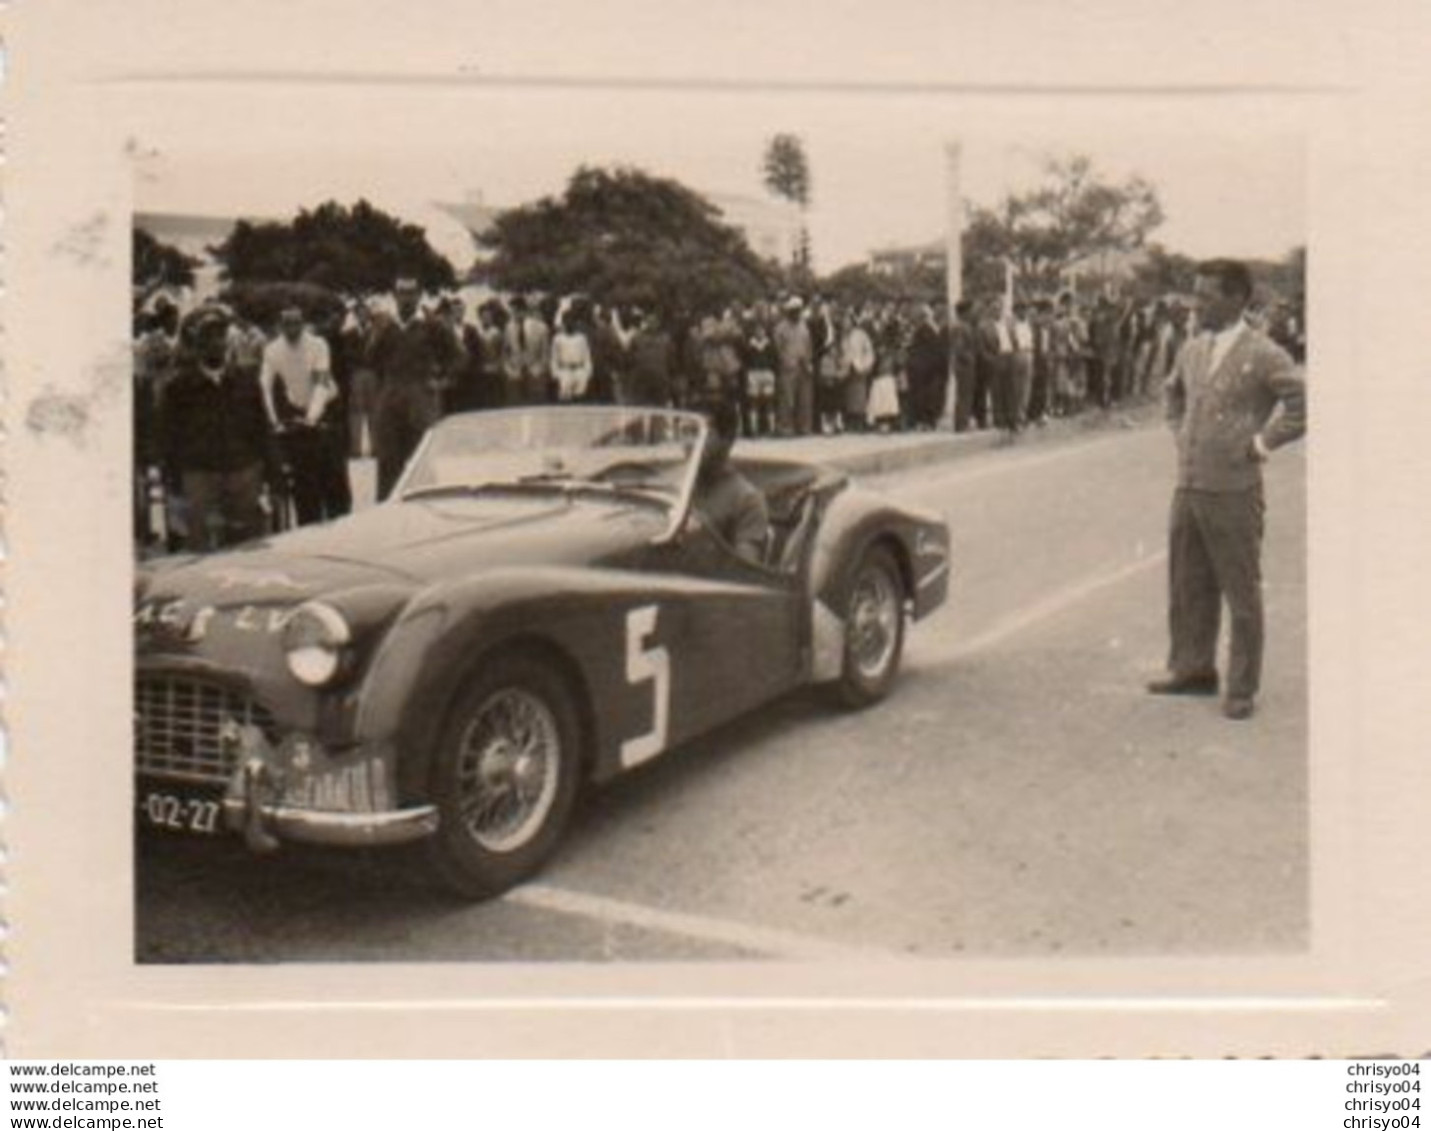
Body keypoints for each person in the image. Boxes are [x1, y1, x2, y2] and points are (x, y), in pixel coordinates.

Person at [1148, 259, 1307, 721]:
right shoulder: (1193, 349)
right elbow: (1172, 393)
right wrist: (1180, 432)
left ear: (1237, 298)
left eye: (1208, 295)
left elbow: (1301, 405)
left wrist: (1262, 442)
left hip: (1235, 489)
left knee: (1240, 589)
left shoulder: (1265, 353)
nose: (1198, 304)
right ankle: (1193, 669)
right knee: (1187, 582)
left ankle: (1241, 687)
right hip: (1190, 484)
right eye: (1196, 294)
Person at [160, 307, 275, 552]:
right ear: (197, 345)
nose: (215, 343)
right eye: (207, 337)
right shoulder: (178, 388)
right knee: (199, 546)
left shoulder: (246, 381)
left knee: (247, 544)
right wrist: (173, 481)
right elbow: (169, 437)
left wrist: (271, 472)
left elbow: (262, 427)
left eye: (220, 336)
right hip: (199, 473)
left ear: (227, 343)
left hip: (243, 470)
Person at [259, 306, 351, 526]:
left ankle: (341, 523)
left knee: (334, 477)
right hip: (298, 411)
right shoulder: (272, 350)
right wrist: (273, 421)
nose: (292, 329)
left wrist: (312, 418)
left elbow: (320, 384)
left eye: (296, 323)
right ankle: (308, 524)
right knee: (304, 479)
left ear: (303, 323)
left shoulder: (318, 345)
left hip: (327, 407)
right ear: (280, 326)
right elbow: (265, 386)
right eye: (287, 324)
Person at [368, 278, 459, 500]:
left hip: (421, 397)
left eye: (411, 293)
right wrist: (378, 334)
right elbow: (370, 358)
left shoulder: (431, 324)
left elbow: (458, 355)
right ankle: (387, 512)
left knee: (422, 459)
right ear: (394, 295)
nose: (406, 298)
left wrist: (442, 380)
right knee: (388, 461)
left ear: (419, 295)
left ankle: (427, 511)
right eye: (401, 293)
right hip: (391, 396)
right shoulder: (386, 325)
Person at [692, 398, 771, 565]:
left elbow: (744, 573)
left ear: (727, 439)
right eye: (686, 432)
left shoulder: (746, 500)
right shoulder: (672, 488)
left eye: (702, 434)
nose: (691, 442)